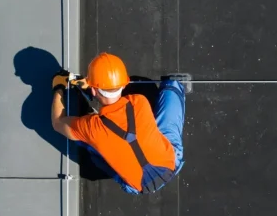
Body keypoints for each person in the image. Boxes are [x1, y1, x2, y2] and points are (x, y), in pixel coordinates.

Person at [50, 52, 185, 194]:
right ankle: (174, 85)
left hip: (139, 187)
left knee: (86, 141)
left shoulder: (90, 127)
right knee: (169, 110)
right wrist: (92, 86)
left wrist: (58, 88)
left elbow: (57, 122)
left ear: (94, 91)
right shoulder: (140, 101)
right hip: (171, 163)